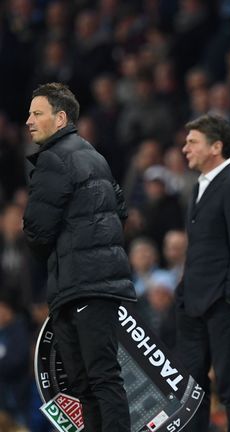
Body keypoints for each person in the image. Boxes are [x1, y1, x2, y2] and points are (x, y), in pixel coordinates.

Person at [22, 82, 135, 431]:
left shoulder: (55, 158)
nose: (28, 121)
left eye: (36, 113)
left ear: (60, 118)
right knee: (95, 380)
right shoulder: (93, 154)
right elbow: (121, 210)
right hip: (95, 282)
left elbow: (37, 231)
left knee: (95, 381)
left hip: (79, 284)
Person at [177, 114, 230, 432]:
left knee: (229, 384)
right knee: (192, 386)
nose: (185, 148)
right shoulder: (200, 185)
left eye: (192, 142)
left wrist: (228, 298)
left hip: (222, 304)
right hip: (194, 303)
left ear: (216, 147)